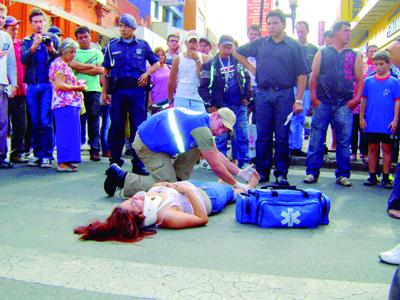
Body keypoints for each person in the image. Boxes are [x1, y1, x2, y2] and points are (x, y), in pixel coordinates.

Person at [104, 107, 259, 197]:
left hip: (158, 143)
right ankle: (121, 177)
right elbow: (216, 166)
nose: (220, 132)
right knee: (167, 189)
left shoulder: (203, 122)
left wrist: (240, 172)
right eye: (221, 125)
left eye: (225, 130)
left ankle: (175, 178)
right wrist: (239, 185)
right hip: (147, 144)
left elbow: (216, 154)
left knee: (199, 150)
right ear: (214, 115)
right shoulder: (202, 129)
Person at [234, 9, 308, 186]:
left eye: (275, 23)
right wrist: (251, 69)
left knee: (282, 135)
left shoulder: (294, 46)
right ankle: (262, 172)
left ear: (283, 24)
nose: (271, 26)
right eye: (268, 23)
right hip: (263, 93)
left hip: (284, 94)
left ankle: (281, 173)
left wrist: (298, 100)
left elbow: (302, 74)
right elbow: (237, 52)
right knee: (263, 134)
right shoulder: (260, 43)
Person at [75, 178, 258, 242]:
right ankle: (248, 188)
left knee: (218, 182)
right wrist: (187, 190)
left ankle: (226, 184)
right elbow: (201, 218)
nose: (134, 198)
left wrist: (158, 186)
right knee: (233, 192)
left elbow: (155, 195)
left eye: (130, 199)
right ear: (141, 216)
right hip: (209, 197)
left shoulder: (147, 206)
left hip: (191, 187)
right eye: (133, 203)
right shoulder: (166, 216)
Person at [303, 21, 364, 187]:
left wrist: (355, 100)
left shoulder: (355, 54)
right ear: (336, 33)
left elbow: (360, 79)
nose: (349, 34)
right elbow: (313, 77)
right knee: (316, 138)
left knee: (344, 141)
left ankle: (343, 174)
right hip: (323, 102)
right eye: (346, 31)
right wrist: (314, 99)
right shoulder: (322, 53)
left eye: (349, 31)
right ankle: (312, 172)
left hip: (344, 103)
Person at [102, 13, 160, 174]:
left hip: (137, 89)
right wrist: (104, 92)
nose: (122, 29)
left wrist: (147, 74)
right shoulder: (111, 46)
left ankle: (138, 162)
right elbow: (105, 69)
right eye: (120, 25)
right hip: (119, 89)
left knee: (138, 127)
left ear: (133, 28)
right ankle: (114, 161)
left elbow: (156, 62)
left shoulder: (142, 45)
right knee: (116, 126)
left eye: (125, 26)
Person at [199, 34, 252, 168]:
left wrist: (246, 96)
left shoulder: (238, 61)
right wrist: (210, 104)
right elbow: (203, 86)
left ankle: (243, 161)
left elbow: (247, 79)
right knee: (220, 135)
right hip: (220, 106)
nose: (227, 50)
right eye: (225, 47)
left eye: (230, 47)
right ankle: (220, 162)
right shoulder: (209, 64)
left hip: (239, 104)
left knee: (242, 134)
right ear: (218, 46)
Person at [21, 8, 60, 168]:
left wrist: (50, 49)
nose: (38, 24)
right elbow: (23, 59)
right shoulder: (27, 41)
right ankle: (37, 154)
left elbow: (60, 60)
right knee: (35, 121)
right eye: (35, 22)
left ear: (45, 22)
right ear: (31, 24)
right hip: (31, 85)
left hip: (47, 85)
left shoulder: (52, 39)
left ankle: (47, 155)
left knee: (45, 121)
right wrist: (33, 46)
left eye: (41, 21)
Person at [360, 50, 400, 188]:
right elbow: (363, 101)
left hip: (387, 122)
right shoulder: (368, 81)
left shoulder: (394, 82)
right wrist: (361, 117)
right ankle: (372, 175)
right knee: (372, 148)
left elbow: (397, 102)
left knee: (387, 149)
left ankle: (385, 176)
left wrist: (395, 120)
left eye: (381, 64)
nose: (378, 67)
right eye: (376, 64)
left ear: (389, 63)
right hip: (371, 121)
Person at [49, 38, 86, 172]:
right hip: (64, 103)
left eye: (74, 52)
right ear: (63, 52)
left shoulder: (64, 64)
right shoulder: (59, 64)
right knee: (65, 133)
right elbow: (59, 85)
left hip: (70, 103)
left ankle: (69, 160)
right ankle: (63, 162)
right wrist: (77, 88)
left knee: (71, 132)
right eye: (71, 52)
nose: (73, 54)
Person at [70, 26, 104, 161]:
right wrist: (91, 67)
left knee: (94, 121)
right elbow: (72, 64)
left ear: (91, 36)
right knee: (77, 121)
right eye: (80, 37)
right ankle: (74, 149)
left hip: (94, 90)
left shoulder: (97, 52)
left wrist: (80, 68)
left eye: (86, 36)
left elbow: (100, 70)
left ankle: (95, 149)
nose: (83, 40)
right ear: (77, 39)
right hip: (76, 90)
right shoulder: (74, 52)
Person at [289, 21, 318, 157]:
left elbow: (316, 71)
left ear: (307, 31)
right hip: (291, 87)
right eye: (298, 31)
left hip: (306, 88)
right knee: (290, 117)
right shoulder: (292, 46)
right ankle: (290, 144)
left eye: (302, 31)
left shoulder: (313, 49)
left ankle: (296, 145)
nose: (300, 34)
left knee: (300, 117)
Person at [3, 15, 28, 164]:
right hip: (5, 90)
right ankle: (3, 153)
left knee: (21, 124)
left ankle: (16, 153)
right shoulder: (3, 44)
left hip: (20, 91)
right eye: (13, 28)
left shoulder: (20, 44)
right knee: (3, 123)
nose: (16, 30)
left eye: (17, 27)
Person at [168, 31, 209, 113]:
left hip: (198, 98)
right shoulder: (177, 58)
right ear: (186, 43)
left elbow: (202, 78)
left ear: (198, 44)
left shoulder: (205, 58)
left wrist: (197, 60)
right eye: (190, 42)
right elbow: (171, 80)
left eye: (195, 42)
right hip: (181, 97)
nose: (192, 44)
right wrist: (170, 99)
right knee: (181, 124)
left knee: (200, 123)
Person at [351, 45, 378, 163]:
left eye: (375, 51)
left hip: (368, 103)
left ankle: (364, 153)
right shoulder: (354, 68)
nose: (373, 53)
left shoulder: (375, 68)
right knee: (353, 128)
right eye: (371, 51)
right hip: (355, 101)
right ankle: (353, 152)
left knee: (365, 128)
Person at [0, 5, 17, 169]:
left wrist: (13, 83)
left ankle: (1, 155)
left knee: (3, 121)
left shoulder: (5, 37)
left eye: (3, 17)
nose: (0, 20)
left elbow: (11, 63)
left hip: (2, 84)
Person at [246, 24, 261, 125]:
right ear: (247, 35)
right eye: (251, 34)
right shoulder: (243, 50)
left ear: (259, 36)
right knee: (244, 114)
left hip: (259, 86)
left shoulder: (263, 50)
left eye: (255, 34)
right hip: (246, 88)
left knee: (258, 115)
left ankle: (255, 139)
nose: (253, 36)